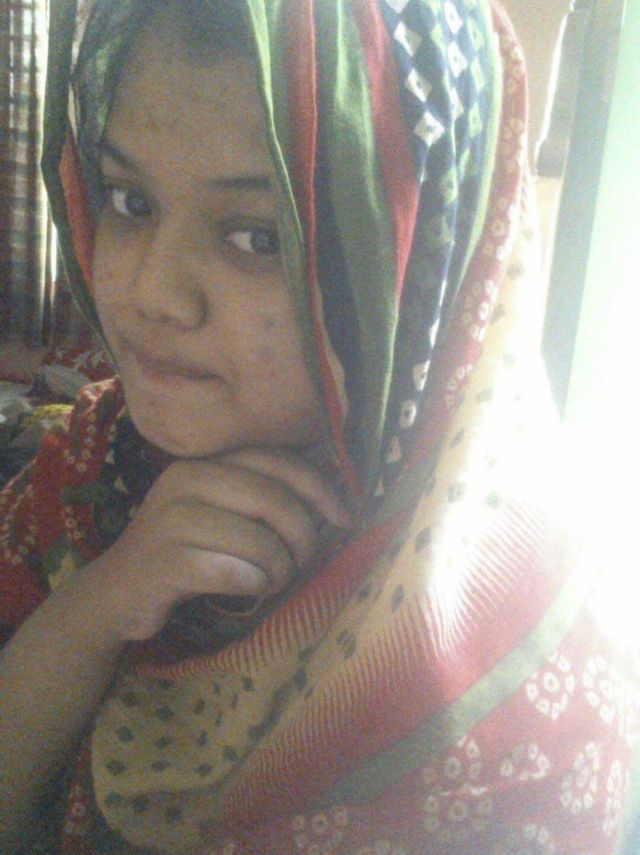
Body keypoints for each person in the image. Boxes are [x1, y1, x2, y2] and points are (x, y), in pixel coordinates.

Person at [0, 0, 637, 852]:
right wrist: (99, 606)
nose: (152, 292)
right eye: (129, 199)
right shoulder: (94, 465)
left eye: (260, 236)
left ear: (416, 258)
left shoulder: (510, 681)